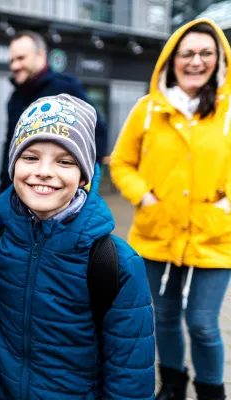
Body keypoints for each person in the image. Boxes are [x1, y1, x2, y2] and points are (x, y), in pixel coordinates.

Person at [0, 94, 155, 399]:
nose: (44, 171)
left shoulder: (116, 265)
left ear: (84, 175)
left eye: (65, 161)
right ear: (13, 163)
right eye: (31, 157)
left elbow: (130, 380)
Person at [110, 18, 231, 400]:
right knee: (162, 317)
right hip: (155, 234)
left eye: (206, 53)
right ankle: (173, 385)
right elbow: (121, 163)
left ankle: (212, 391)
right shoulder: (147, 109)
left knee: (202, 324)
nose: (196, 61)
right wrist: (145, 197)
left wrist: (226, 203)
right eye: (188, 53)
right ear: (171, 60)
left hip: (214, 236)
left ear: (220, 59)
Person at [0, 31, 108, 195]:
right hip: (18, 196)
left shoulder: (65, 89)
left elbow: (97, 133)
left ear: (41, 56)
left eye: (21, 58)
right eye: (12, 60)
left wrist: (82, 187)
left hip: (56, 195)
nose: (14, 66)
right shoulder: (15, 99)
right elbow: (10, 146)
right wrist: (3, 192)